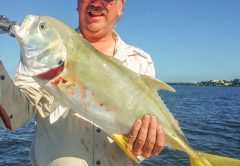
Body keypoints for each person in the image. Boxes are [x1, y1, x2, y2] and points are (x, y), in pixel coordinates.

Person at [0, 0, 165, 165]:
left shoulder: (140, 61)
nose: (96, 2)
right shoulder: (45, 54)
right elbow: (15, 116)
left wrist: (144, 145)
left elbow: (140, 147)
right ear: (78, 4)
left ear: (121, 6)